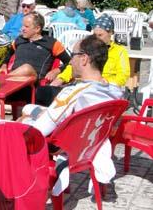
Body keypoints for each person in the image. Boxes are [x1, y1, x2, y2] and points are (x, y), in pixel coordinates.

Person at [19, 35, 123, 193]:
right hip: (89, 137)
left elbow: (39, 130)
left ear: (84, 59)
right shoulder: (114, 91)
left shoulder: (73, 93)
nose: (69, 61)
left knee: (23, 119)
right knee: (28, 109)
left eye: (72, 55)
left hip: (65, 143)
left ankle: (21, 179)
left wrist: (22, 122)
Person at [0, 12, 70, 118]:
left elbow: (69, 62)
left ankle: (1, 81)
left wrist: (57, 70)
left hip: (32, 86)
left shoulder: (51, 43)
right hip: (13, 84)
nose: (22, 29)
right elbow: (8, 56)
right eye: (22, 26)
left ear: (37, 28)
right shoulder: (19, 40)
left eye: (26, 26)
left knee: (26, 67)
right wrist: (4, 65)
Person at [37, 14, 130, 106]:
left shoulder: (119, 51)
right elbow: (74, 65)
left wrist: (103, 82)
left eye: (100, 35)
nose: (97, 38)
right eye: (95, 35)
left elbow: (123, 76)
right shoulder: (90, 47)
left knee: (45, 95)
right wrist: (61, 78)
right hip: (81, 86)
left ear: (111, 33)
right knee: (44, 92)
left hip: (100, 91)